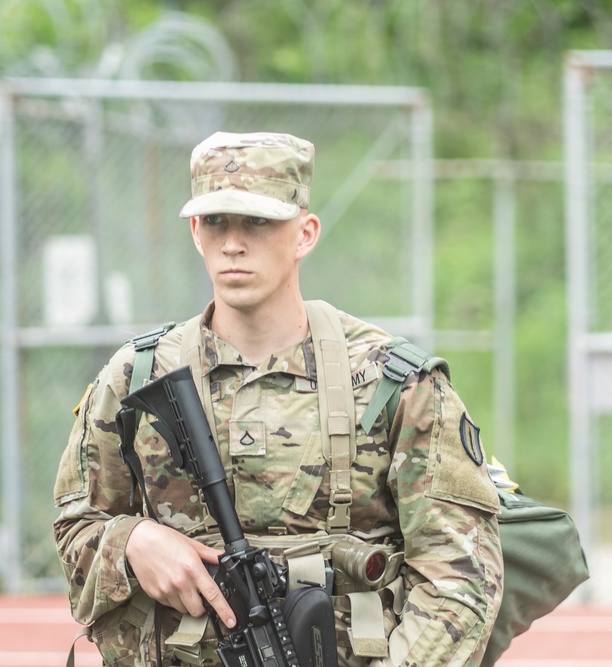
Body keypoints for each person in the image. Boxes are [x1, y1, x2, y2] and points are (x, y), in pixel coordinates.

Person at [53, 131, 503, 667]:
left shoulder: (395, 383)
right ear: (196, 232)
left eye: (258, 222)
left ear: (305, 234)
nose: (233, 243)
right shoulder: (137, 376)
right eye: (215, 221)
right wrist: (132, 543)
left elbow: (461, 576)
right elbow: (75, 527)